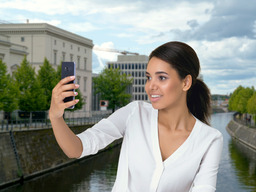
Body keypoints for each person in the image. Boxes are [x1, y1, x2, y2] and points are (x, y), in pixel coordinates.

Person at [49, 41, 223, 192]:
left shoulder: (210, 140)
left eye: (162, 78)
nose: (150, 86)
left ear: (186, 82)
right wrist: (56, 116)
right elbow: (76, 149)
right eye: (148, 77)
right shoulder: (134, 113)